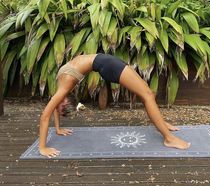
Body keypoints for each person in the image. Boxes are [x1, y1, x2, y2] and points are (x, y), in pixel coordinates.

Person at [39, 53, 191, 158]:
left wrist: (42, 147)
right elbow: (52, 110)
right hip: (106, 63)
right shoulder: (62, 87)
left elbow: (45, 116)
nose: (55, 109)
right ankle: (168, 138)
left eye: (58, 107)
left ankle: (162, 125)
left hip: (107, 63)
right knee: (147, 94)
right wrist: (56, 130)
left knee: (146, 92)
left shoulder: (62, 88)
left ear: (64, 101)